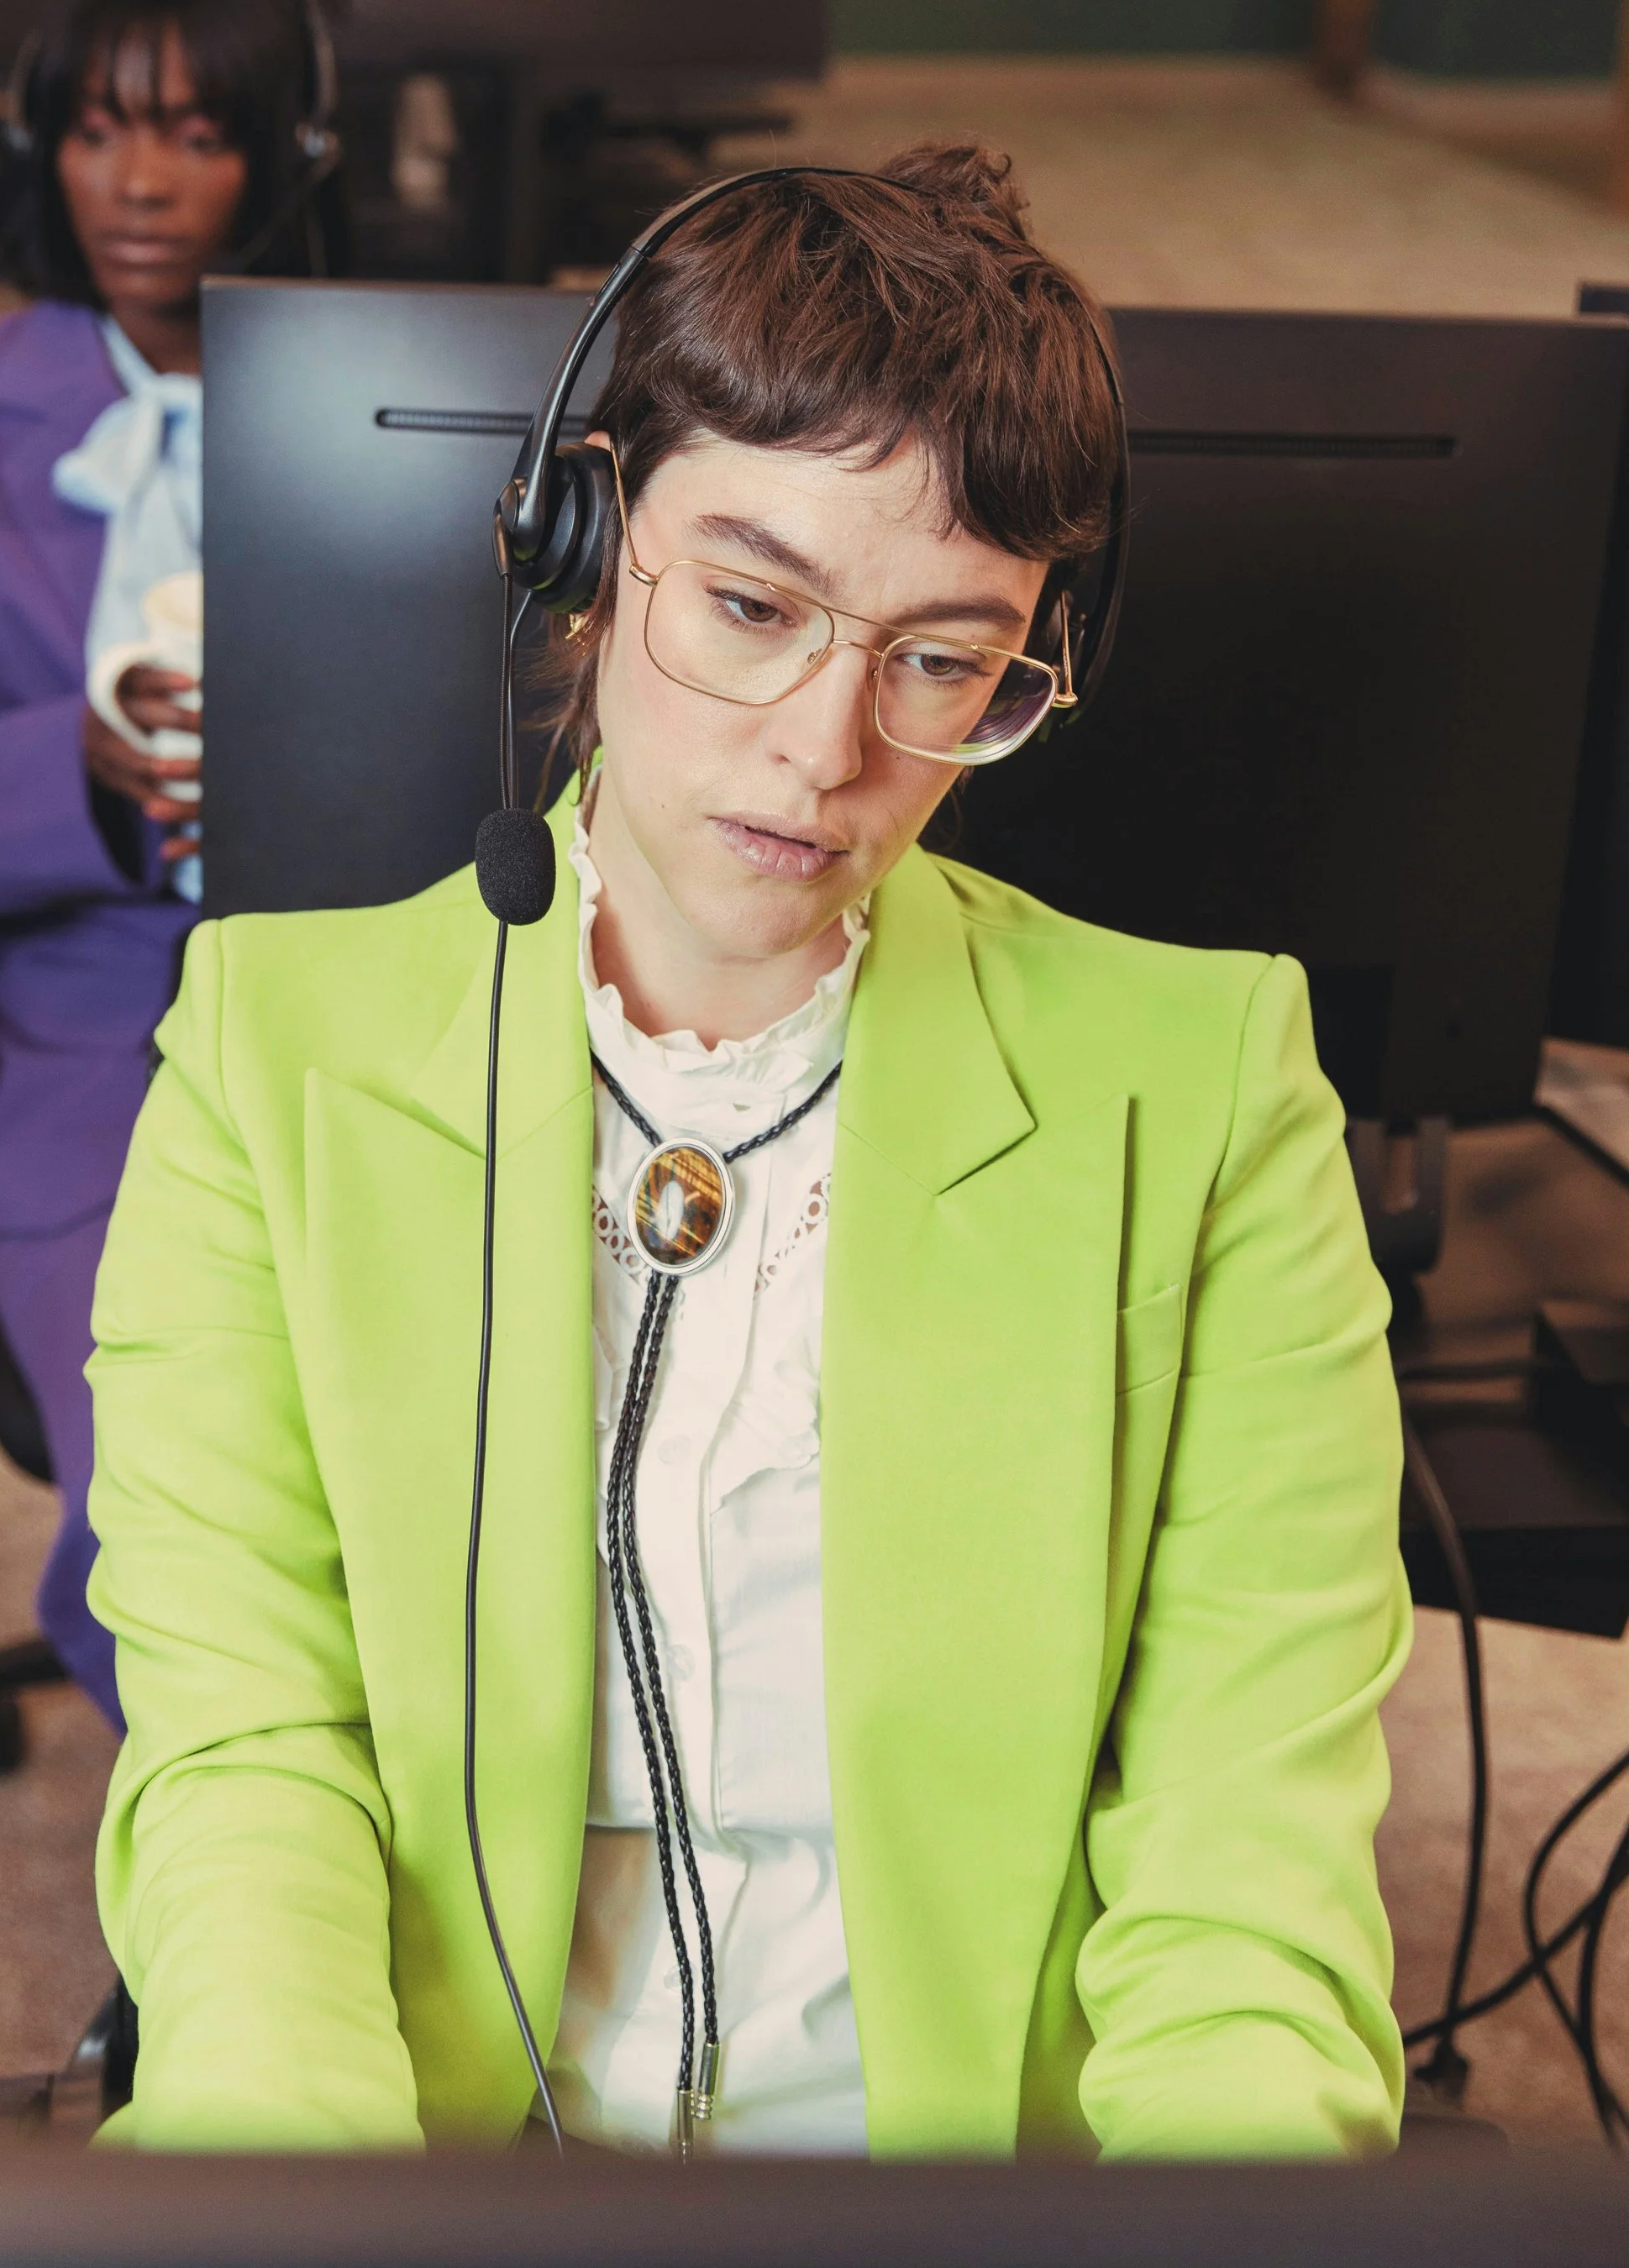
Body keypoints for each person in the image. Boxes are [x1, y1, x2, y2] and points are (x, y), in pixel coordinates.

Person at [87, 152, 1409, 2155]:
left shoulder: (1209, 1092)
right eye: (747, 602)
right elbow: (249, 1771)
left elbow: (1244, 1860)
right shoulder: (268, 1062)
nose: (822, 746)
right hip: (442, 2196)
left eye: (943, 657)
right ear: (584, 541)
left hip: (983, 2214)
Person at [0, 0, 332, 1728]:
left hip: (391, 1010)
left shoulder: (399, 391)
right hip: (95, 1045)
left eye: (197, 133)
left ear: (281, 156)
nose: (140, 180)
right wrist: (83, 776)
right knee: (175, 1548)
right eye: (102, 127)